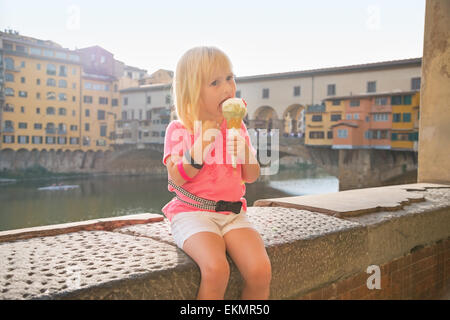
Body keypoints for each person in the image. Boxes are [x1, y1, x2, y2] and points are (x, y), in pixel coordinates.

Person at [162, 46, 271, 300]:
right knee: (216, 269)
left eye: (230, 78)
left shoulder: (236, 126)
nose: (227, 88)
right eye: (215, 82)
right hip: (192, 214)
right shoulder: (179, 129)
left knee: (260, 269)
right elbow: (176, 176)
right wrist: (202, 142)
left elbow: (251, 175)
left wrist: (245, 152)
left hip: (233, 213)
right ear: (192, 92)